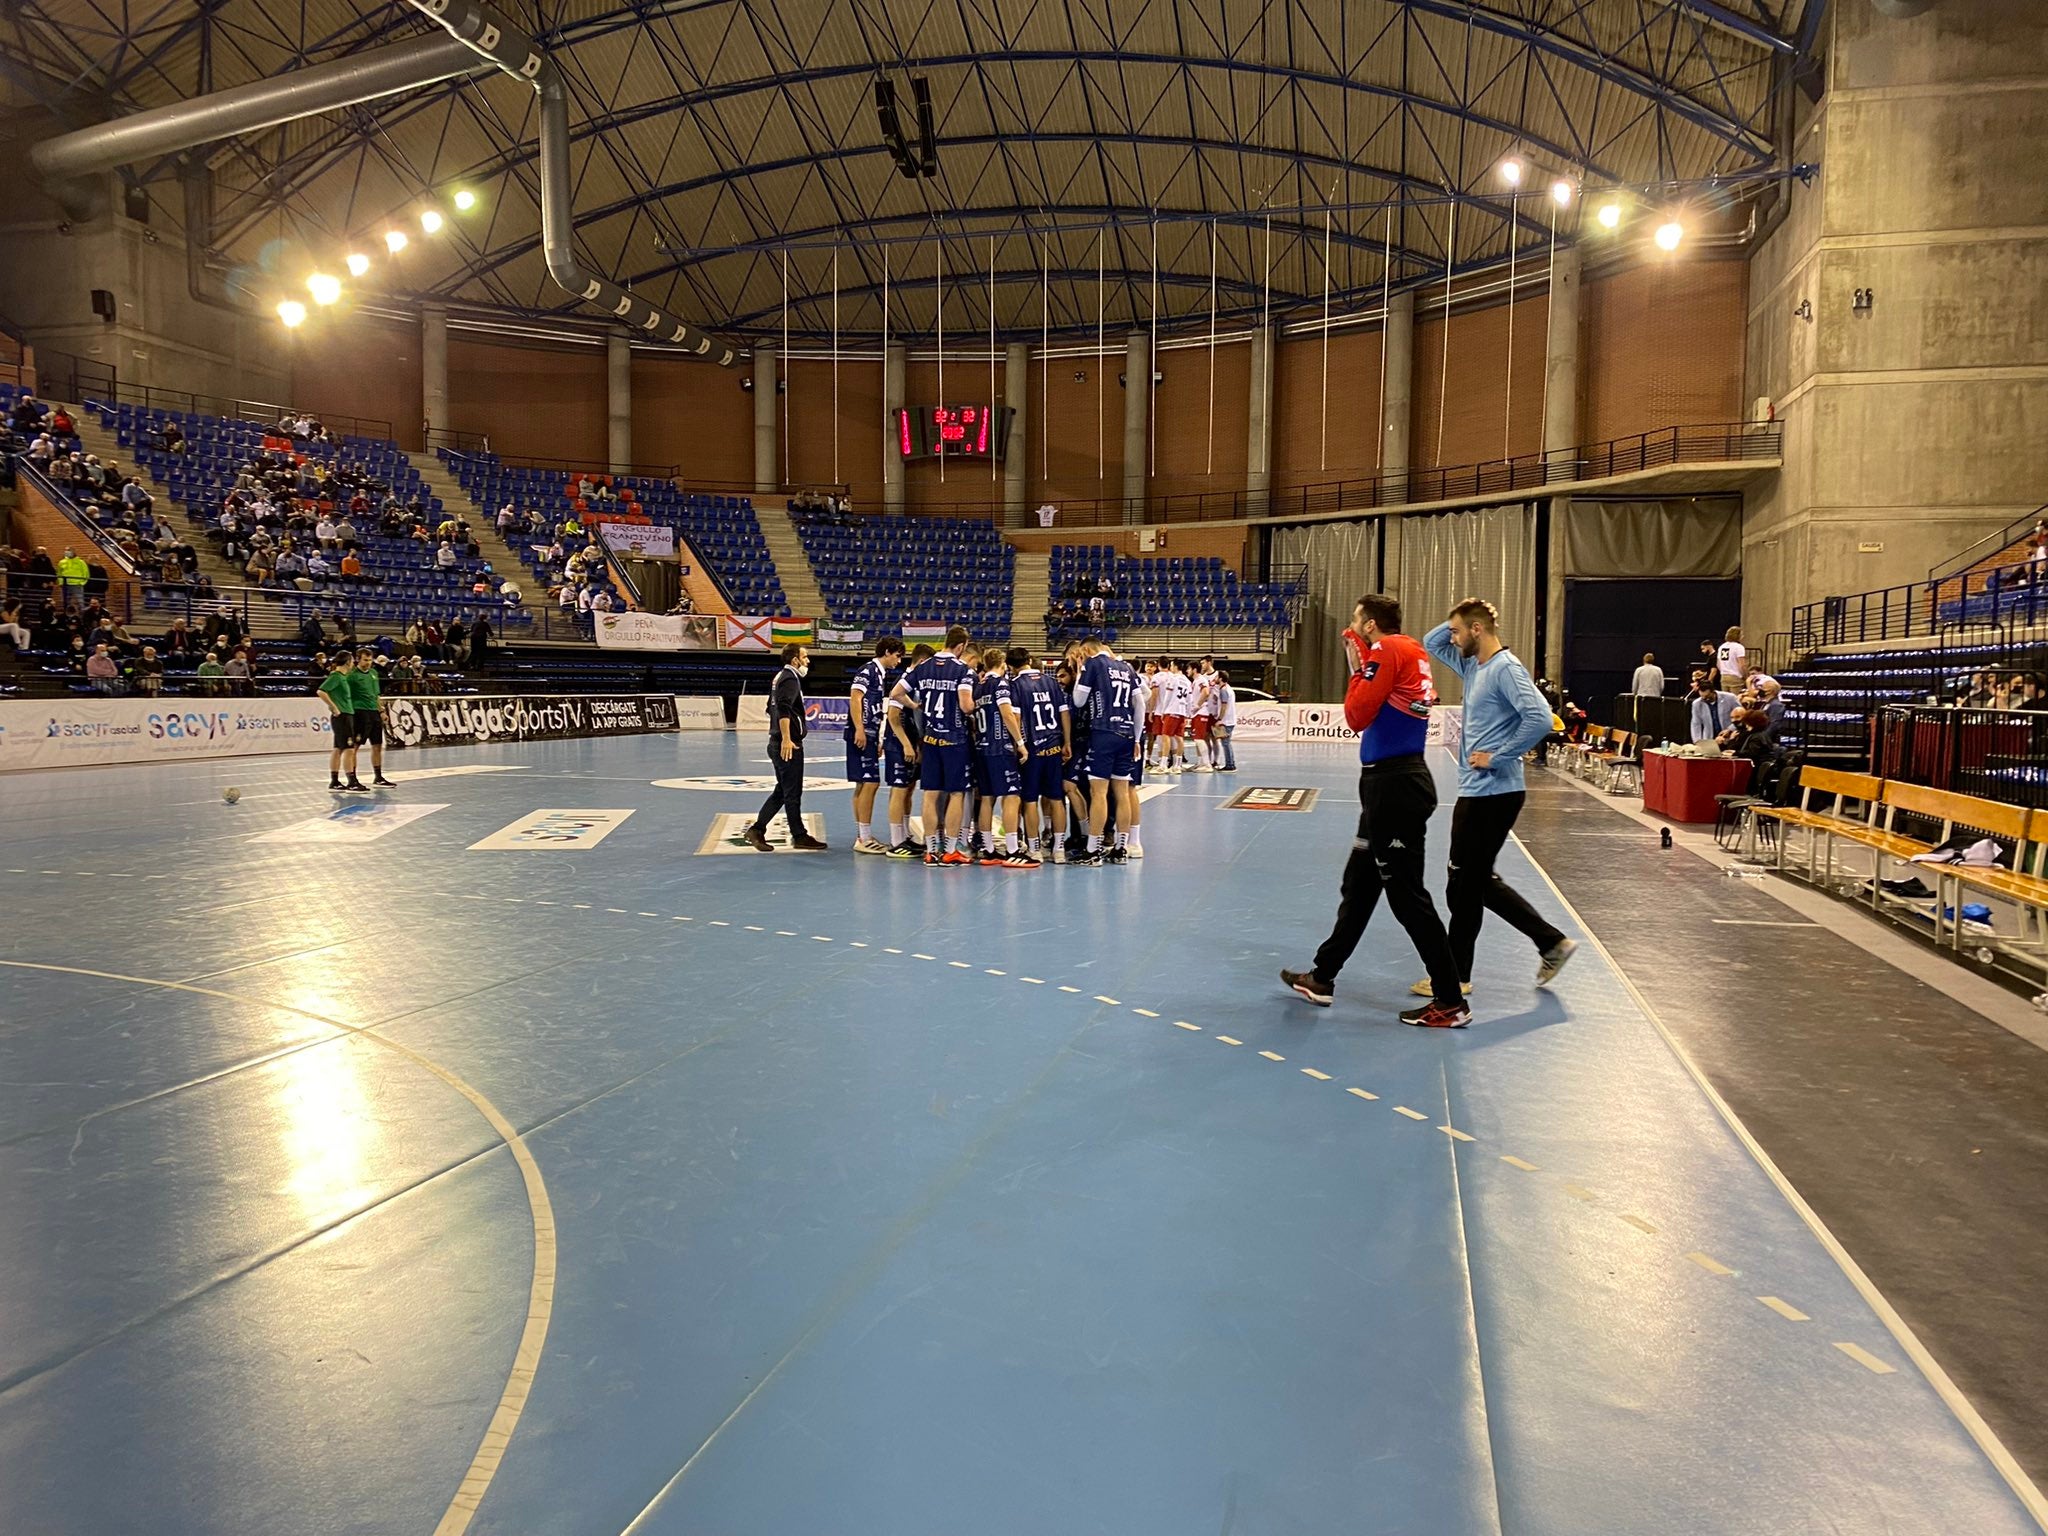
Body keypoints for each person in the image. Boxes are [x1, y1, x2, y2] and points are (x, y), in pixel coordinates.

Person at [1281, 594, 1468, 1028]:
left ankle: (1450, 999)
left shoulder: (1388, 649)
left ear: (1369, 624)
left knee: (1407, 896)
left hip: (1394, 787)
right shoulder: (1412, 651)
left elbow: (1356, 715)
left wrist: (1358, 667)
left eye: (1355, 617)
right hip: (1391, 782)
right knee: (1360, 884)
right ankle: (1322, 977)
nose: (1352, 623)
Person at [1420, 599, 1577, 998]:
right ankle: (1547, 943)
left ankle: (1457, 977)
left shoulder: (1506, 668)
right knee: (1473, 882)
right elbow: (1431, 642)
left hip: (1494, 791)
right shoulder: (1474, 665)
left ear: (1476, 630)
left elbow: (1541, 718)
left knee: (1464, 884)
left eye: (1459, 631)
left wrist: (1499, 756)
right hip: (1479, 791)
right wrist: (1465, 611)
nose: (1451, 639)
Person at [893, 626, 978, 865]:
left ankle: (931, 850)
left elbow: (896, 693)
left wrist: (916, 706)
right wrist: (975, 709)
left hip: (930, 740)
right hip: (955, 740)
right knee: (956, 794)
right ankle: (951, 849)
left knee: (930, 795)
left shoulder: (923, 667)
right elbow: (965, 705)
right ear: (961, 646)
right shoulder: (963, 671)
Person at [1068, 637, 1141, 865]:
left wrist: (1081, 670)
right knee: (1122, 792)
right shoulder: (1126, 667)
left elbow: (1078, 701)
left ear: (1087, 650)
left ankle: (1093, 850)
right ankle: (1121, 848)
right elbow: (1140, 704)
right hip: (1127, 733)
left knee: (1098, 792)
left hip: (1104, 731)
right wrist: (1137, 738)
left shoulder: (1094, 664)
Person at [745, 644, 826, 852]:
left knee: (782, 791)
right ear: (795, 660)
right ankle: (799, 835)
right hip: (787, 745)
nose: (808, 661)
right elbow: (782, 708)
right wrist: (787, 739)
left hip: (776, 742)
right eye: (805, 657)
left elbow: (768, 707)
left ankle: (757, 829)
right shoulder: (790, 678)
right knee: (792, 793)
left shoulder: (779, 677)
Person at [969, 648, 1037, 867]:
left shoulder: (978, 687)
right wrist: (1020, 744)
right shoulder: (1001, 684)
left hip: (982, 748)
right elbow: (1007, 713)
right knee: (1012, 796)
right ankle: (1012, 850)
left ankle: (988, 849)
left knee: (987, 797)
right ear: (1003, 664)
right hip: (1000, 747)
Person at [1010, 645, 1071, 862]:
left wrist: (1019, 745)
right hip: (1053, 746)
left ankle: (1034, 848)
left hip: (1032, 749)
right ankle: (1059, 849)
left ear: (1011, 667)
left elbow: (1015, 719)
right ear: (1028, 659)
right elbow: (1064, 713)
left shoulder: (1015, 684)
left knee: (1029, 800)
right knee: (1056, 798)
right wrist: (1067, 741)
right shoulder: (1050, 681)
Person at [846, 636, 906, 854]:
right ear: (888, 651)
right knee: (870, 783)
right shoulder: (869, 670)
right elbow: (855, 697)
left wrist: (877, 738)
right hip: (861, 733)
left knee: (863, 784)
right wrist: (860, 729)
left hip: (870, 734)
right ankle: (864, 838)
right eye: (898, 656)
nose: (899, 661)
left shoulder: (879, 675)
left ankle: (863, 835)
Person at [882, 642, 934, 857]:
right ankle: (896, 842)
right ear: (921, 662)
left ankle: (904, 836)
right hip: (898, 743)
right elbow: (893, 717)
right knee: (899, 788)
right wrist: (905, 744)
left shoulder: (918, 683)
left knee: (909, 788)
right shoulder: (904, 682)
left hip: (911, 742)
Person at [319, 653, 368, 791]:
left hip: (346, 714)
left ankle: (334, 780)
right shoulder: (336, 676)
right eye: (352, 661)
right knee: (349, 748)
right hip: (343, 715)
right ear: (347, 662)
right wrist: (334, 706)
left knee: (338, 748)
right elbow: (321, 691)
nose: (353, 663)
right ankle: (351, 780)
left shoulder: (343, 677)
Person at [350, 647, 395, 787]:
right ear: (358, 659)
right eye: (365, 660)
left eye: (370, 660)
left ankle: (378, 777)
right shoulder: (351, 675)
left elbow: (376, 695)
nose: (368, 663)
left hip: (374, 712)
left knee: (377, 745)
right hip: (359, 712)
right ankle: (352, 778)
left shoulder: (374, 673)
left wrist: (381, 710)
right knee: (354, 747)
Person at [1691, 676, 1734, 743]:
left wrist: (1730, 729)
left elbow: (1742, 716)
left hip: (1730, 737)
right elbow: (1696, 724)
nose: (1705, 699)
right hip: (1710, 739)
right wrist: (1698, 741)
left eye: (1707, 696)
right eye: (1702, 697)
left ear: (1713, 691)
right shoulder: (1697, 704)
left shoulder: (1730, 698)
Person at [1212, 668, 1238, 772]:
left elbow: (1224, 706)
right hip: (1229, 720)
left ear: (1221, 678)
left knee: (1226, 743)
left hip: (1226, 721)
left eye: (1217, 676)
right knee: (1226, 742)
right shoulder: (1227, 688)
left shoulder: (1224, 690)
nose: (1215, 678)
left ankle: (1230, 765)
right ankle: (1230, 763)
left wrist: (1219, 718)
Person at [1715, 627, 1746, 692]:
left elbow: (1718, 664)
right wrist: (1745, 676)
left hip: (1724, 677)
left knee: (1726, 699)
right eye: (1741, 634)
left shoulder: (1722, 647)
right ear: (1737, 635)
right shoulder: (1738, 647)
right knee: (1735, 700)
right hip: (1735, 677)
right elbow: (1742, 665)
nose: (1743, 636)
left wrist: (1725, 671)